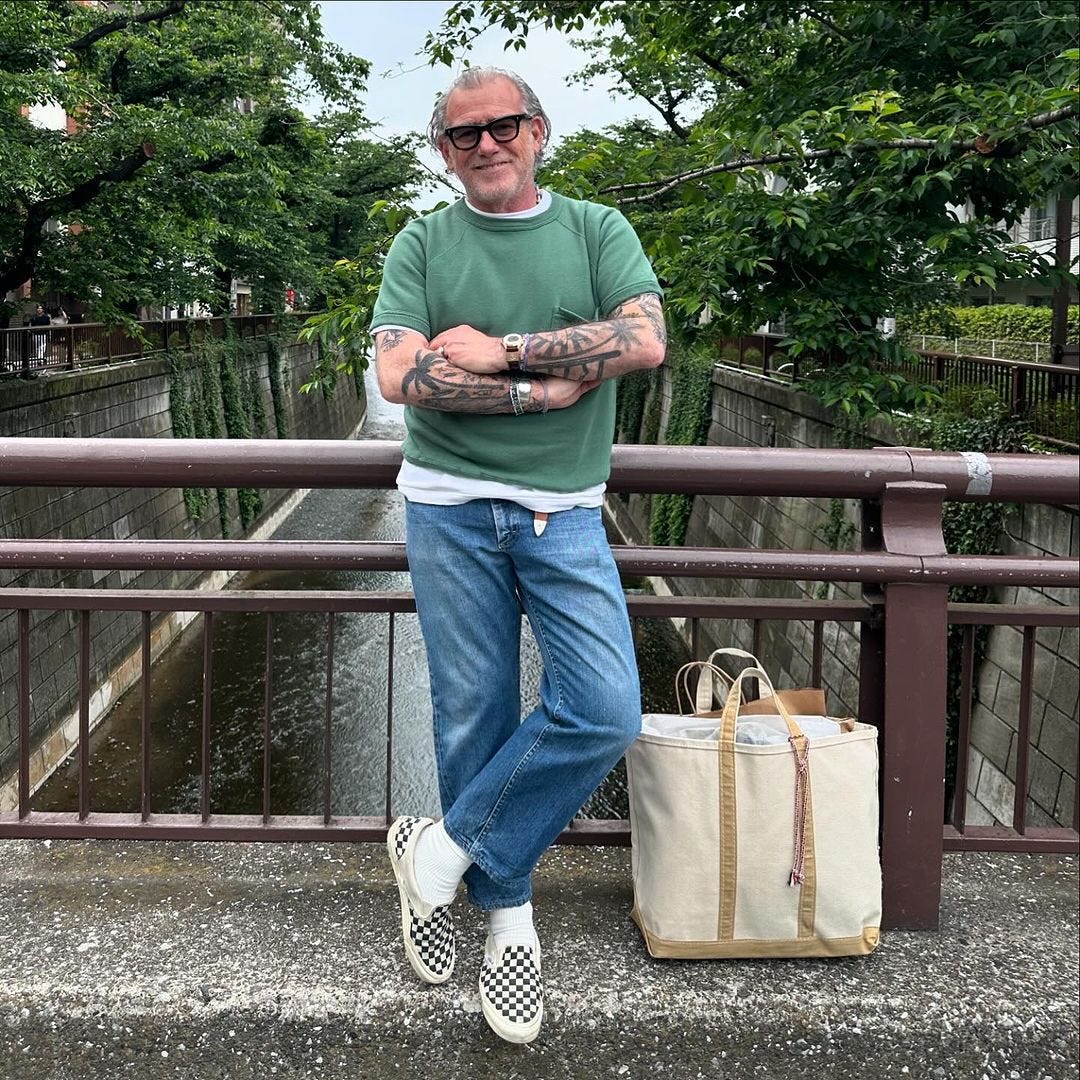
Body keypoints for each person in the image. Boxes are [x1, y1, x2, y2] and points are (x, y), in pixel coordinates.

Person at [371, 67, 666, 1045]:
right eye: (463, 135)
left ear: (538, 130)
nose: (486, 144)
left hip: (565, 510)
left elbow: (642, 340)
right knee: (474, 713)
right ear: (441, 150)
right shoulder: (423, 240)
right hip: (448, 507)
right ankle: (509, 920)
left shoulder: (595, 229)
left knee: (604, 707)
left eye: (504, 126)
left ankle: (443, 849)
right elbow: (400, 371)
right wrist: (537, 395)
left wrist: (504, 353)